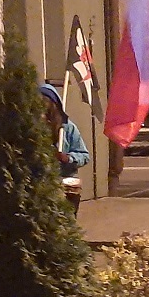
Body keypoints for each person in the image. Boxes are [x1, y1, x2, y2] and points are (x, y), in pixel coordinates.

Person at [38, 84, 90, 215]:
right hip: (41, 186)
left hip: (65, 184)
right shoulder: (33, 128)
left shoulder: (68, 128)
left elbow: (84, 155)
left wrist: (68, 158)